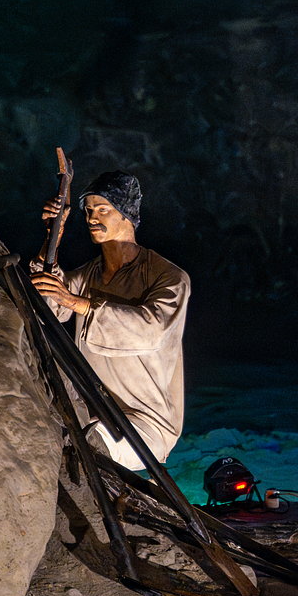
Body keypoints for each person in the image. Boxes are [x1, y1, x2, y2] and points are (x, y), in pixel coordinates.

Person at [32, 171, 190, 471]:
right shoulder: (88, 275)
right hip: (93, 411)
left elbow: (150, 329)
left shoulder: (169, 277)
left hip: (146, 425)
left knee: (85, 444)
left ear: (126, 214)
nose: (92, 217)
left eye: (102, 209)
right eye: (89, 211)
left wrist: (75, 301)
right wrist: (53, 236)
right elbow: (47, 306)